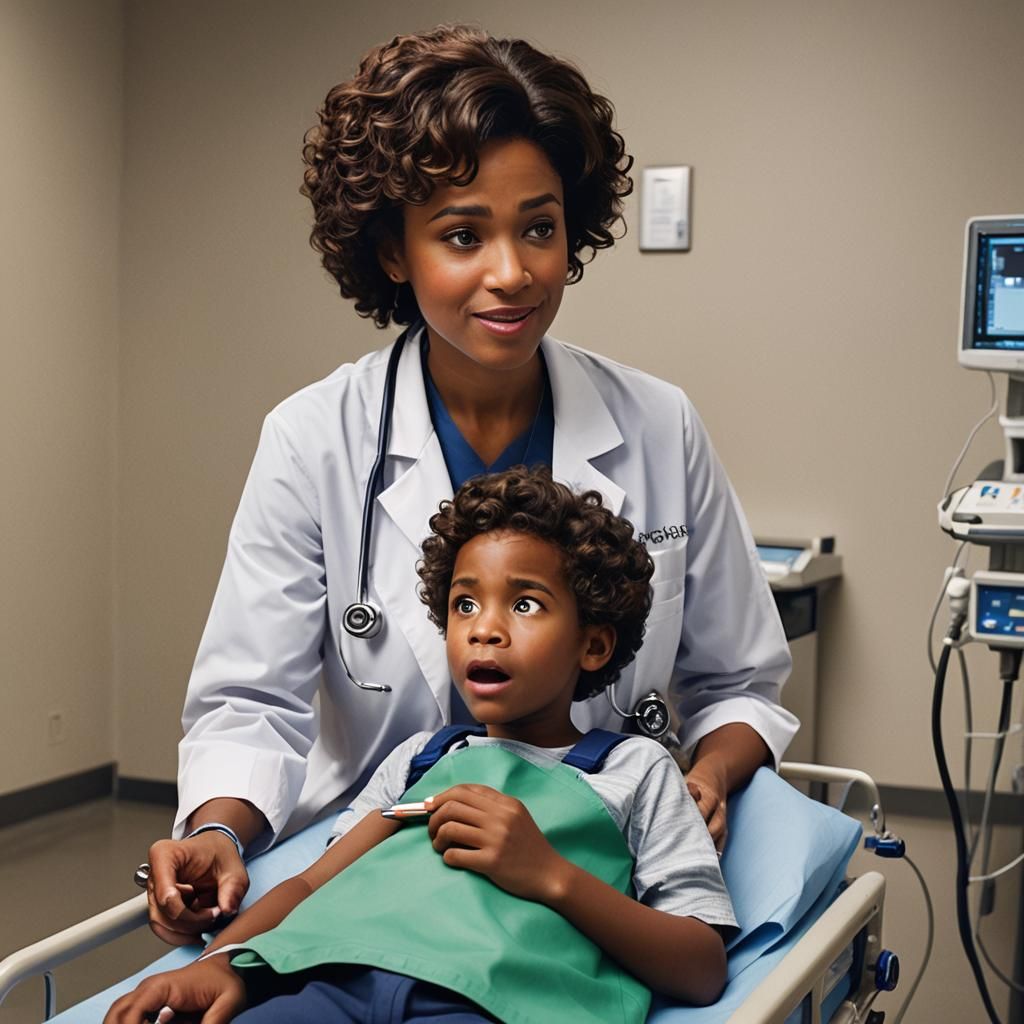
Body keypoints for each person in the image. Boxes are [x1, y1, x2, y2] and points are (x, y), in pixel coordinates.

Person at [146, 23, 796, 946]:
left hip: (582, 862)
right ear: (392, 252)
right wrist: (217, 827)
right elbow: (252, 702)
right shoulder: (314, 438)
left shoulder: (658, 424)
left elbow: (739, 679)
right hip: (375, 855)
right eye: (462, 235)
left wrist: (708, 776)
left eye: (539, 226)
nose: (513, 273)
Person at [107, 469, 735, 1024]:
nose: (485, 629)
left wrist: (549, 874)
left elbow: (702, 967)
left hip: (489, 1002)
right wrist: (222, 963)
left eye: (524, 603)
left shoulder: (634, 769)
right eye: (465, 603)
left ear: (593, 645)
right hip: (332, 982)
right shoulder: (421, 759)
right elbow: (314, 885)